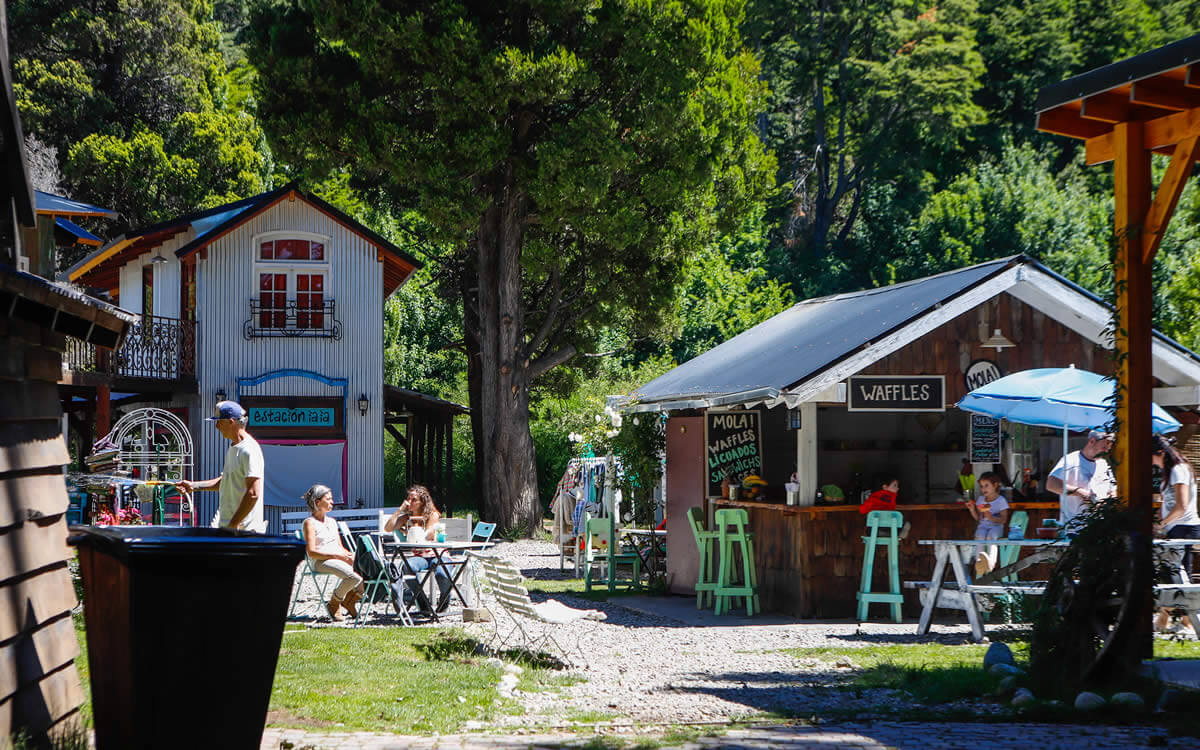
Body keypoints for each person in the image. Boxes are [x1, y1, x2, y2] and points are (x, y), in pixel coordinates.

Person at [179, 401, 266, 532]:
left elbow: (253, 493)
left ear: (231, 422)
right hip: (230, 529)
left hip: (244, 533)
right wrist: (194, 486)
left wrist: (233, 524)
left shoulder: (249, 450)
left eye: (219, 421)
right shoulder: (234, 448)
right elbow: (227, 481)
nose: (217, 426)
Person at [1152, 435, 1200, 633]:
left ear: (1161, 453)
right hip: (1176, 527)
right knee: (1172, 574)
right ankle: (1165, 620)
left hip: (1184, 528)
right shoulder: (1170, 471)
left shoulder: (1178, 471)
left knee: (1180, 575)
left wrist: (1160, 525)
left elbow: (1181, 506)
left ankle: (1188, 623)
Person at [383, 485, 452, 614]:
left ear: (422, 502)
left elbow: (427, 535)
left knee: (442, 574)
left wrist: (413, 528)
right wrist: (400, 510)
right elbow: (387, 528)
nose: (410, 502)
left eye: (414, 499)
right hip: (420, 556)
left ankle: (444, 600)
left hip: (437, 553)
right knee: (406, 566)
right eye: (408, 498)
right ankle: (421, 601)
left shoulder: (433, 515)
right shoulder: (406, 518)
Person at [301, 484, 364, 621]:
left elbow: (339, 546)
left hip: (336, 558)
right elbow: (311, 552)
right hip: (320, 561)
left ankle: (349, 602)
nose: (332, 502)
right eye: (328, 499)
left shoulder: (332, 522)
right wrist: (337, 555)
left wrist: (348, 555)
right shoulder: (309, 523)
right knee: (353, 577)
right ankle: (334, 604)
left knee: (365, 570)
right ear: (318, 502)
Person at [1045, 429, 1115, 528]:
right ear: (1092, 441)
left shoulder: (1103, 464)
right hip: (1074, 529)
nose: (1107, 450)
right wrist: (1080, 492)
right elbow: (1051, 485)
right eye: (1104, 446)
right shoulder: (1070, 460)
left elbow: (1113, 490)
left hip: (1100, 528)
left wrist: (1105, 502)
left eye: (1109, 447)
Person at [966, 471, 1010, 576]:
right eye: (981, 486)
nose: (983, 489)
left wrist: (991, 518)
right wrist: (972, 509)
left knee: (991, 537)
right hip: (983, 526)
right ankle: (979, 562)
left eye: (986, 486)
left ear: (995, 485)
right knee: (979, 536)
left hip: (996, 527)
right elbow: (978, 518)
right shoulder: (981, 500)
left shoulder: (1001, 500)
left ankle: (991, 563)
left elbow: (1004, 519)